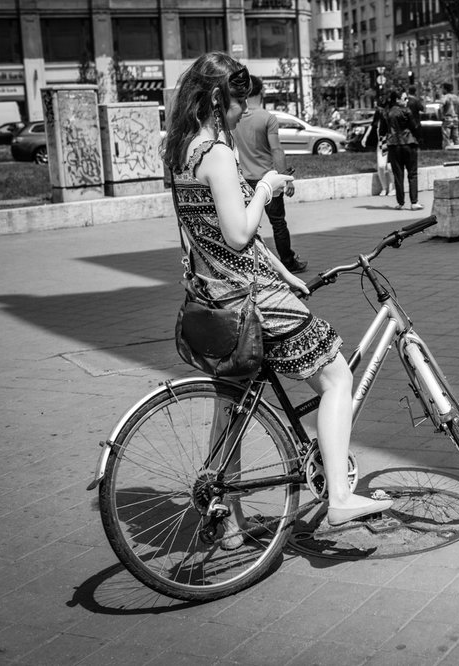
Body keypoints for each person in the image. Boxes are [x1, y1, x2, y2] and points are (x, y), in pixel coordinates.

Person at [163, 53, 393, 539]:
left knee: (232, 405)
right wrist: (266, 187)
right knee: (337, 378)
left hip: (214, 300)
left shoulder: (180, 150)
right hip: (252, 300)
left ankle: (227, 515)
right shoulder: (216, 154)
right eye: (238, 103)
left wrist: (284, 272)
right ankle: (340, 497)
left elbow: (210, 233)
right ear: (217, 99)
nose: (242, 112)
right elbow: (238, 233)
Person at [232, 75, 308, 274]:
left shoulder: (236, 118)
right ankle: (288, 262)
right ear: (262, 92)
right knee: (278, 223)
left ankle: (248, 265)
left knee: (248, 225)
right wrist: (286, 179)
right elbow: (276, 150)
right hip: (268, 181)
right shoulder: (267, 118)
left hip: (245, 181)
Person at [385, 88, 422, 210]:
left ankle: (400, 202)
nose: (407, 101)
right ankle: (414, 202)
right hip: (408, 143)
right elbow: (414, 126)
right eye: (404, 98)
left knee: (398, 174)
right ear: (397, 100)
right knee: (412, 173)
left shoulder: (388, 112)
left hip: (393, 145)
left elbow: (385, 129)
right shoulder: (407, 111)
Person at [439, 82, 459, 149]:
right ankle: (458, 150)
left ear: (445, 89)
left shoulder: (445, 97)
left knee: (446, 137)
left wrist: (441, 117)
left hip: (447, 119)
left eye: (442, 89)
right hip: (455, 119)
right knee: (456, 137)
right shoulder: (456, 98)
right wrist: (458, 118)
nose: (442, 90)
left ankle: (447, 151)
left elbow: (440, 107)